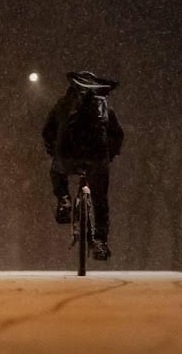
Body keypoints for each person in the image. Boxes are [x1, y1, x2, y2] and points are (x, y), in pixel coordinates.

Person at [42, 71, 124, 261]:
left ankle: (64, 199)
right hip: (97, 159)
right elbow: (117, 134)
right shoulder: (104, 107)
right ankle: (101, 242)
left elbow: (47, 131)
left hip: (67, 156)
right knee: (100, 201)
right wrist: (109, 155)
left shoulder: (62, 104)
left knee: (56, 170)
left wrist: (53, 151)